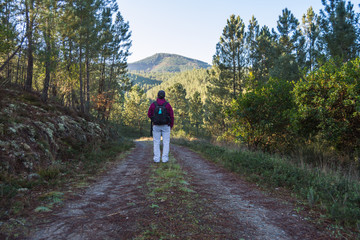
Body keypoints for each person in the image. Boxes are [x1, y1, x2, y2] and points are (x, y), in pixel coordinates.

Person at [147, 90, 174, 163]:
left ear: (157, 96)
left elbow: (149, 114)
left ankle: (157, 159)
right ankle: (164, 159)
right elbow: (171, 116)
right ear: (164, 96)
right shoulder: (167, 105)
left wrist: (154, 119)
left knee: (156, 142)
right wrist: (171, 125)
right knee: (166, 142)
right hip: (166, 126)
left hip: (156, 126)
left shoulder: (153, 104)